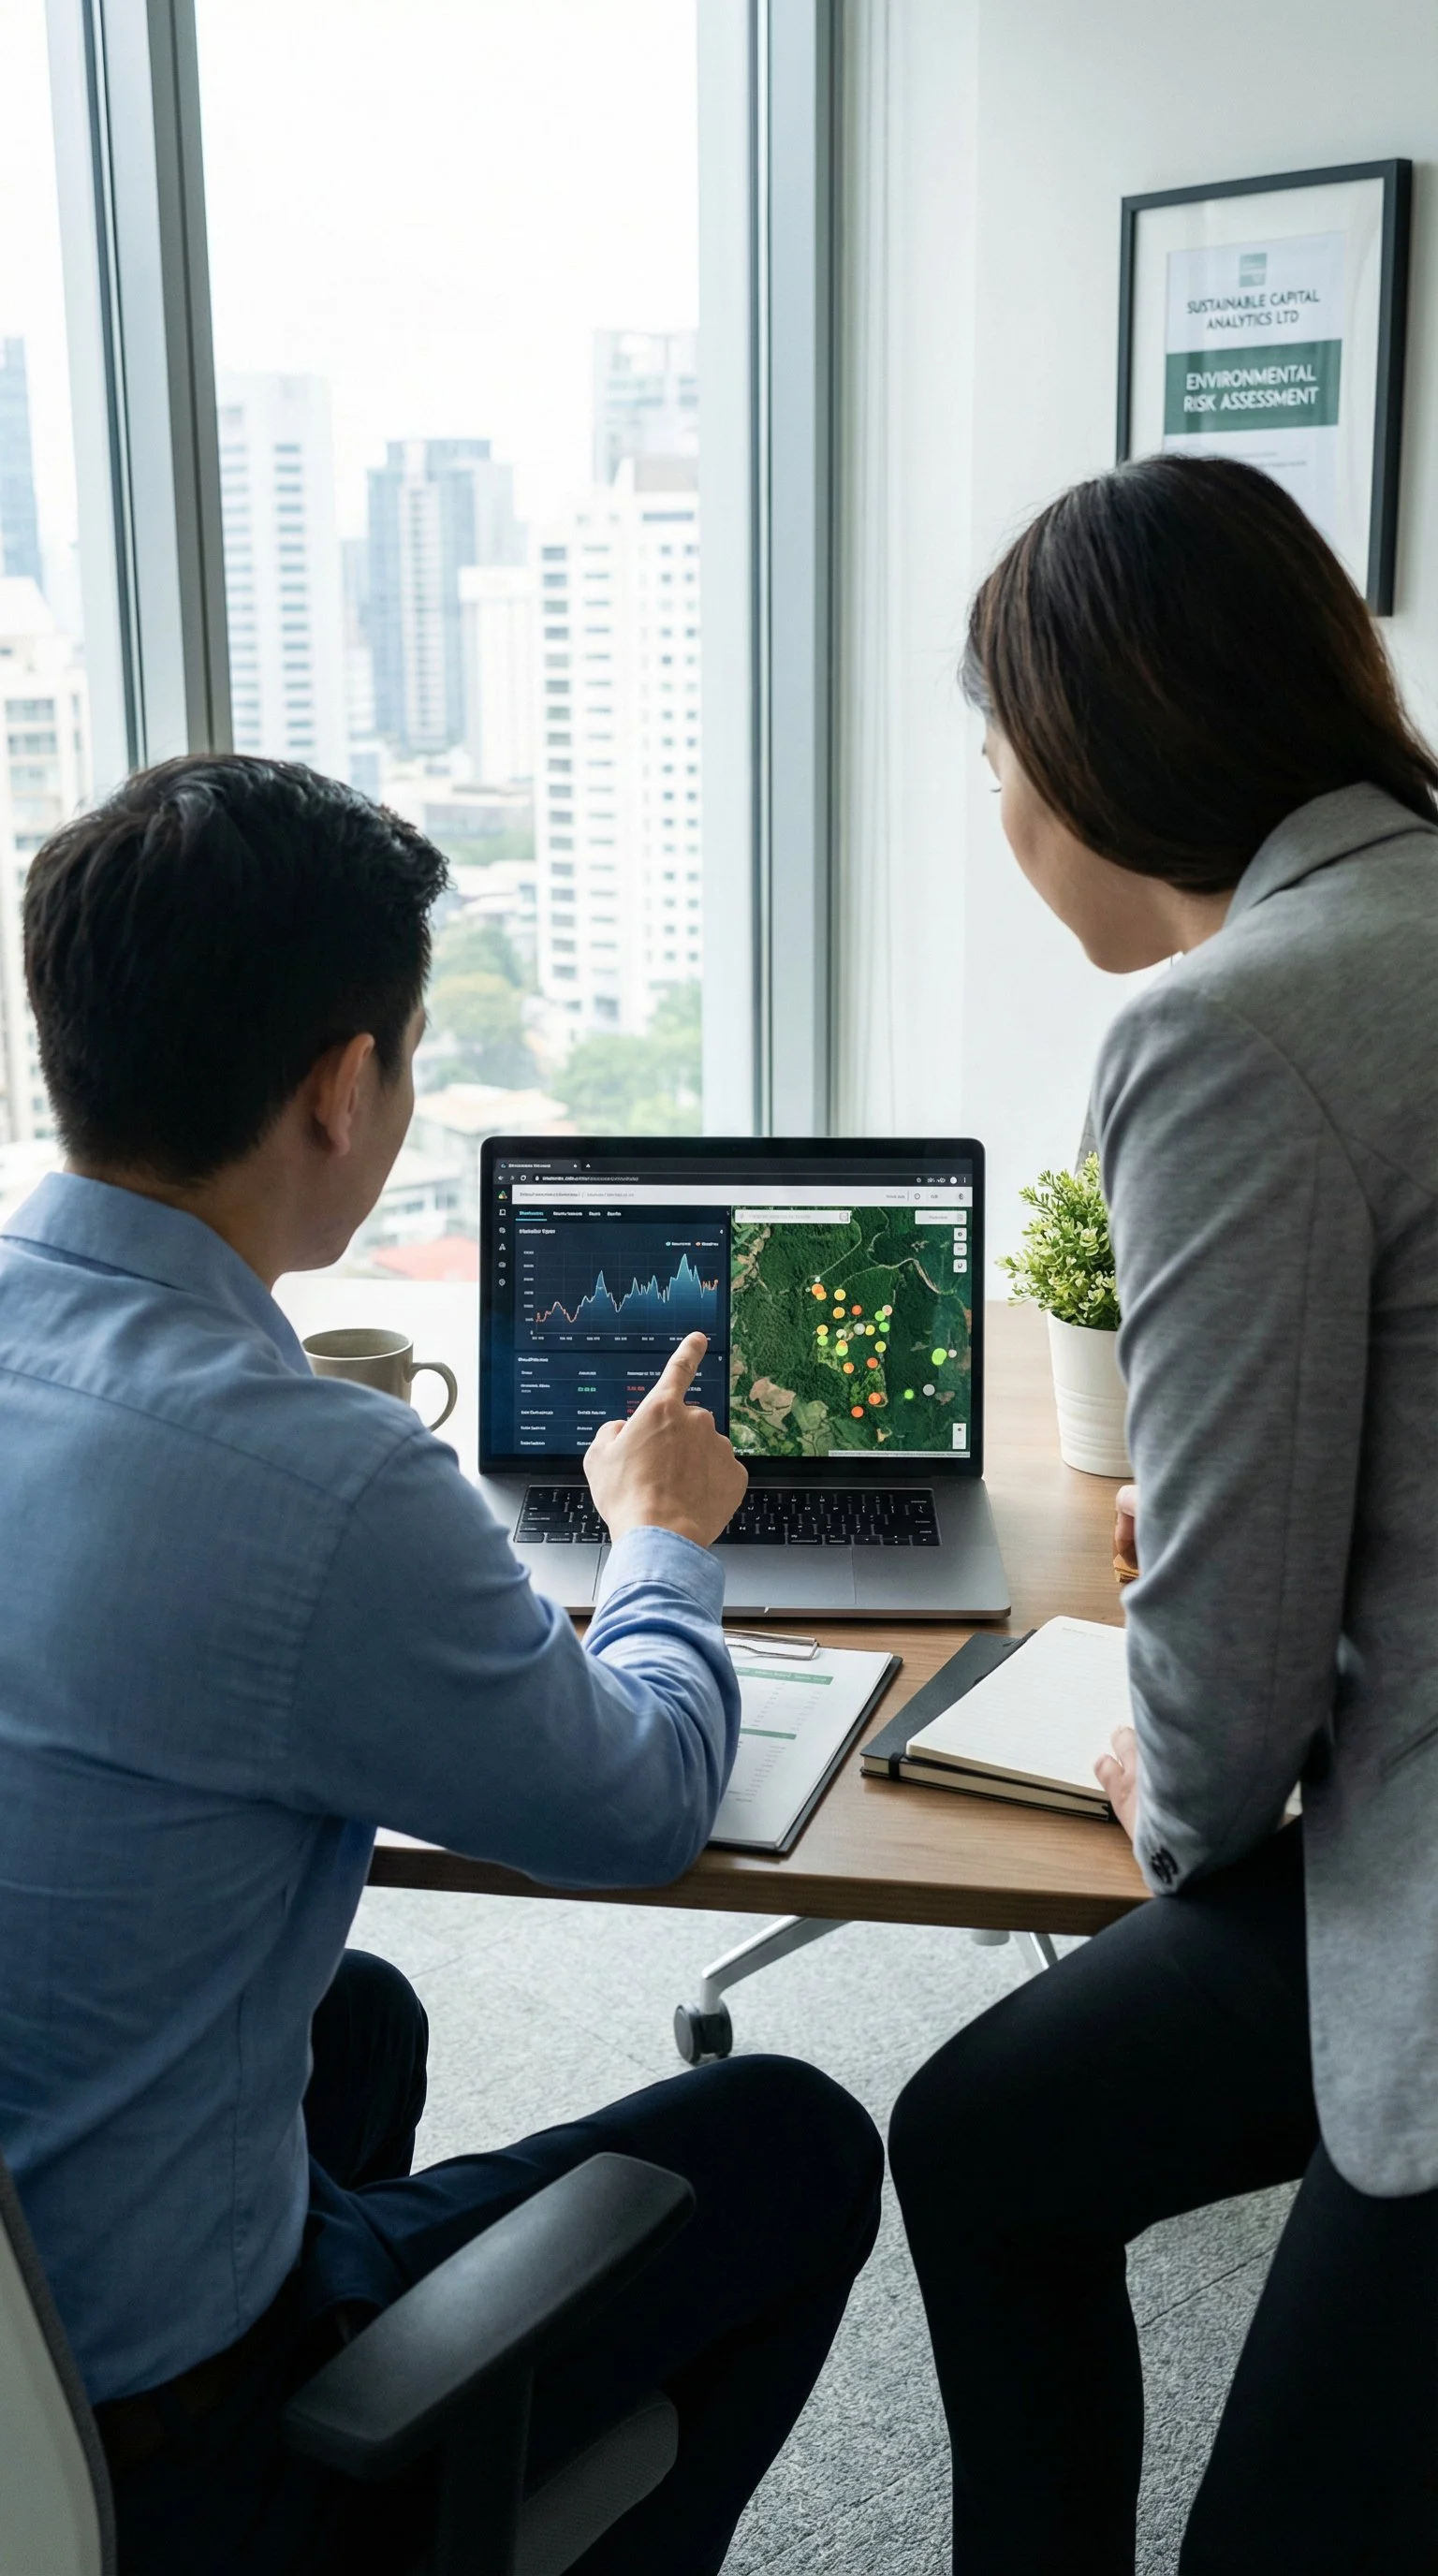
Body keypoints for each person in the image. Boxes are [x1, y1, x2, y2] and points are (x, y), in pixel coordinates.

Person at [0, 754, 883, 2576]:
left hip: (26, 2323)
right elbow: (639, 1803)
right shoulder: (314, 1481)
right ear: (343, 1082)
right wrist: (660, 1531)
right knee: (795, 2132)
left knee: (360, 2011)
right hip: (155, 2448)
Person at [888, 455, 1438, 2573]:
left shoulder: (1230, 1029)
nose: (1008, 813)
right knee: (991, 2130)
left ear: (1113, 750)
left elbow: (1224, 1713)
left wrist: (1166, 1780)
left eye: (1007, 754)